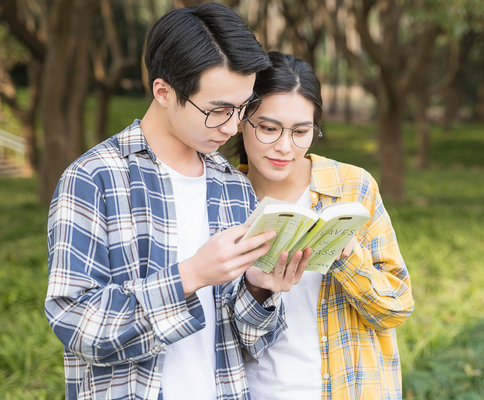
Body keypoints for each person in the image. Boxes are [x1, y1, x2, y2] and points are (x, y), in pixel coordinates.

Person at [45, 5, 310, 400]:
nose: (233, 126)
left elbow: (249, 343)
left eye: (242, 109)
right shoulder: (95, 178)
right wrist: (191, 275)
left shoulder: (232, 186)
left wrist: (259, 290)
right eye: (218, 110)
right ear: (163, 91)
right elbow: (77, 325)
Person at [231, 51, 414, 399]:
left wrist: (347, 258)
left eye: (301, 131)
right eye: (269, 128)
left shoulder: (352, 187)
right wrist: (259, 291)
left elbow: (396, 308)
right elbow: (218, 333)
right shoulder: (221, 195)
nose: (285, 147)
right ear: (242, 120)